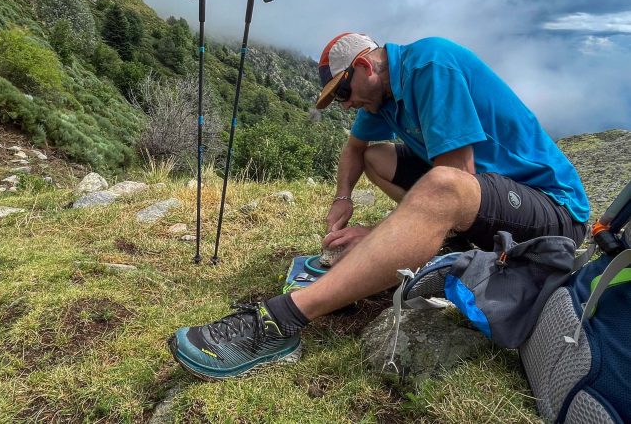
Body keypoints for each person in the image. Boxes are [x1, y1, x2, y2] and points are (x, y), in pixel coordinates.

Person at [169, 33, 590, 380]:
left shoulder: (429, 66)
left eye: (344, 91)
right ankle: (429, 238)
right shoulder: (384, 95)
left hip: (553, 212)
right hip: (488, 197)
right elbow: (356, 150)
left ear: (366, 67)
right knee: (378, 157)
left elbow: (459, 178)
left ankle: (281, 321)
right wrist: (343, 198)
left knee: (443, 186)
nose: (345, 103)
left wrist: (381, 233)